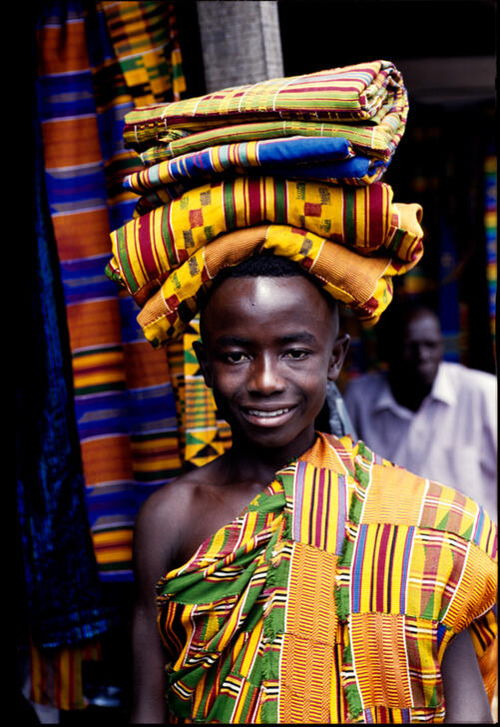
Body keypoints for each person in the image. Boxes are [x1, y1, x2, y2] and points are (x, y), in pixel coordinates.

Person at [129, 255, 496, 724]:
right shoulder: (170, 516)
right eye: (237, 355)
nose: (265, 380)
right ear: (204, 363)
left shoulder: (416, 520)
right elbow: (147, 708)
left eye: (295, 353)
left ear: (335, 358)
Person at [343, 301, 497, 519]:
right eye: (410, 346)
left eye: (430, 345)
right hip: (391, 544)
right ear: (386, 350)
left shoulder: (482, 393)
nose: (422, 356)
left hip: (475, 546)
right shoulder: (360, 397)